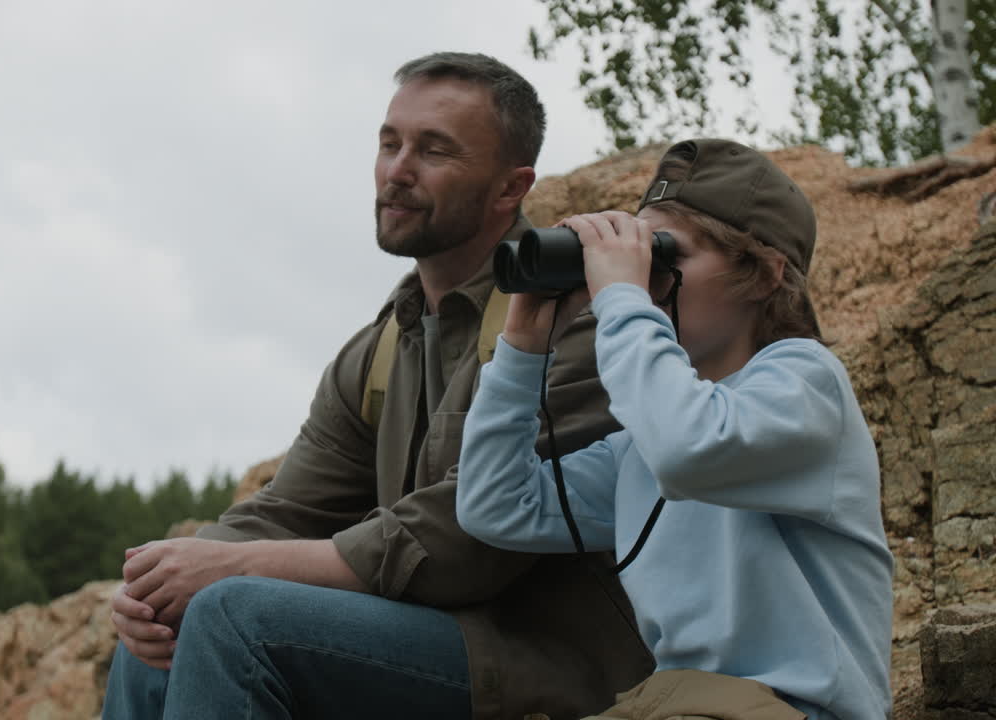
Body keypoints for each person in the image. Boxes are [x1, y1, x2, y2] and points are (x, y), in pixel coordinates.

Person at [101, 52, 654, 719]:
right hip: (418, 642)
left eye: (435, 151)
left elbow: (470, 543)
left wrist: (234, 573)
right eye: (389, 144)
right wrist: (160, 578)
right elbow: (285, 510)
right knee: (163, 627)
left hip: (552, 662)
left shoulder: (575, 315)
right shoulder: (385, 345)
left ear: (512, 188)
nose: (397, 171)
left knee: (233, 615)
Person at [456, 138, 894, 720]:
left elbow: (692, 447)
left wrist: (620, 295)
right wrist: (523, 348)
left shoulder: (807, 383)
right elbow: (495, 505)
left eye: (667, 259)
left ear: (764, 275)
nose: (648, 281)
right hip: (672, 702)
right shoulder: (645, 444)